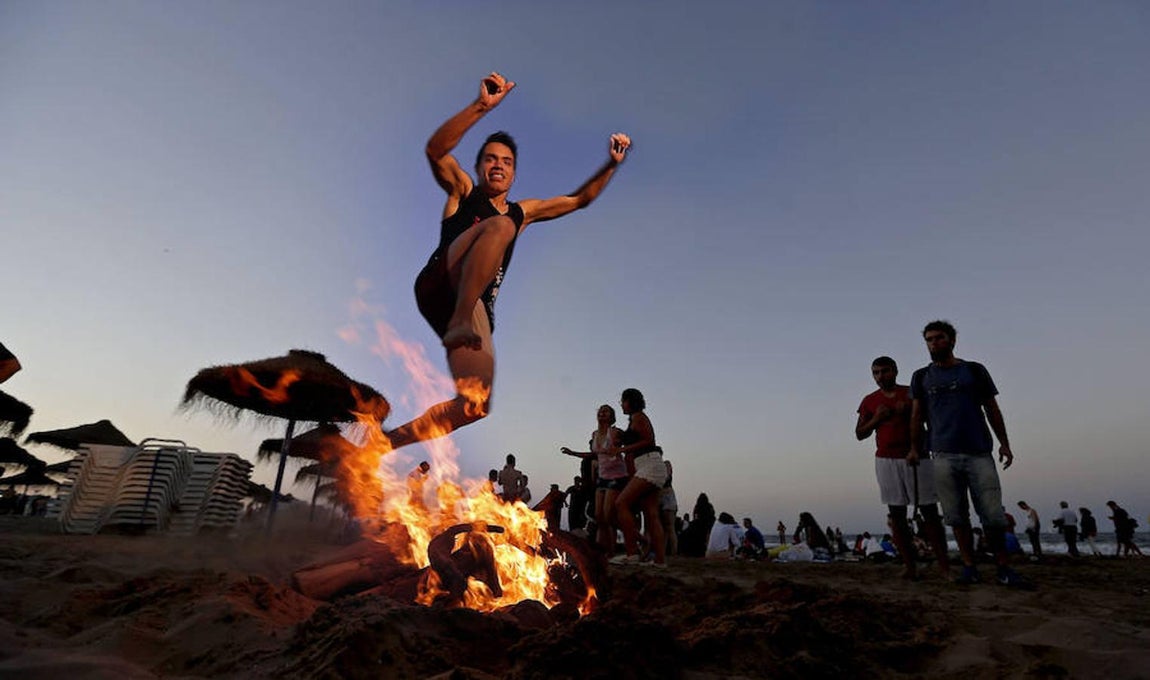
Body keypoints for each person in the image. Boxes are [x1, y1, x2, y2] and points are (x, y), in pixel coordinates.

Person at [383, 72, 632, 452]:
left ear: (514, 172)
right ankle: (461, 317)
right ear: (481, 166)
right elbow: (435, 151)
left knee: (474, 406)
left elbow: (579, 200)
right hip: (442, 282)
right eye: (490, 159)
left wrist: (611, 165)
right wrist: (482, 106)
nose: (498, 166)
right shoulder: (463, 191)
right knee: (501, 227)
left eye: (506, 162)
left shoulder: (523, 212)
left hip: (475, 306)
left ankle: (382, 444)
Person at [908, 320, 1028, 588]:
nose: (933, 343)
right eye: (929, 339)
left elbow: (991, 408)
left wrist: (1004, 443)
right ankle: (969, 566)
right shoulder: (921, 377)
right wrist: (915, 448)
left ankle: (1003, 567)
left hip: (978, 452)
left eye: (939, 338)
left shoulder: (973, 371)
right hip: (942, 453)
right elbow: (916, 416)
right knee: (956, 515)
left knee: (993, 515)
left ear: (952, 340)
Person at [856, 355, 950, 579]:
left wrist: (911, 419)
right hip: (886, 459)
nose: (881, 377)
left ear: (895, 371)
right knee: (896, 514)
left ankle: (945, 566)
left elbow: (932, 421)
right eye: (876, 373)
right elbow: (860, 434)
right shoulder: (869, 400)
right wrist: (877, 418)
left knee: (929, 512)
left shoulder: (912, 393)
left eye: (885, 371)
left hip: (917, 456)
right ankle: (909, 566)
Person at [609, 388, 667, 567]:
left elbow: (648, 441)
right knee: (651, 514)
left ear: (630, 401)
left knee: (621, 503)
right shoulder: (635, 419)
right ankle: (659, 561)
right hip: (650, 465)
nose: (621, 405)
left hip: (649, 465)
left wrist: (621, 449)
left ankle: (632, 553)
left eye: (623, 401)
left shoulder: (638, 417)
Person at [561, 404, 627, 554]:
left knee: (607, 516)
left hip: (617, 476)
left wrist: (619, 449)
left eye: (606, 411)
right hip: (602, 477)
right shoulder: (595, 434)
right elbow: (593, 455)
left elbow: (628, 445)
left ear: (611, 417)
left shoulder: (615, 432)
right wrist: (573, 453)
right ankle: (602, 550)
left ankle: (613, 549)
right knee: (598, 516)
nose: (602, 413)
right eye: (600, 411)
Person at [659, 460, 679, 557]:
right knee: (666, 528)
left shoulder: (665, 464)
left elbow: (666, 478)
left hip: (666, 496)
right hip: (666, 497)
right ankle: (666, 552)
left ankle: (673, 552)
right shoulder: (664, 465)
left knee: (669, 527)